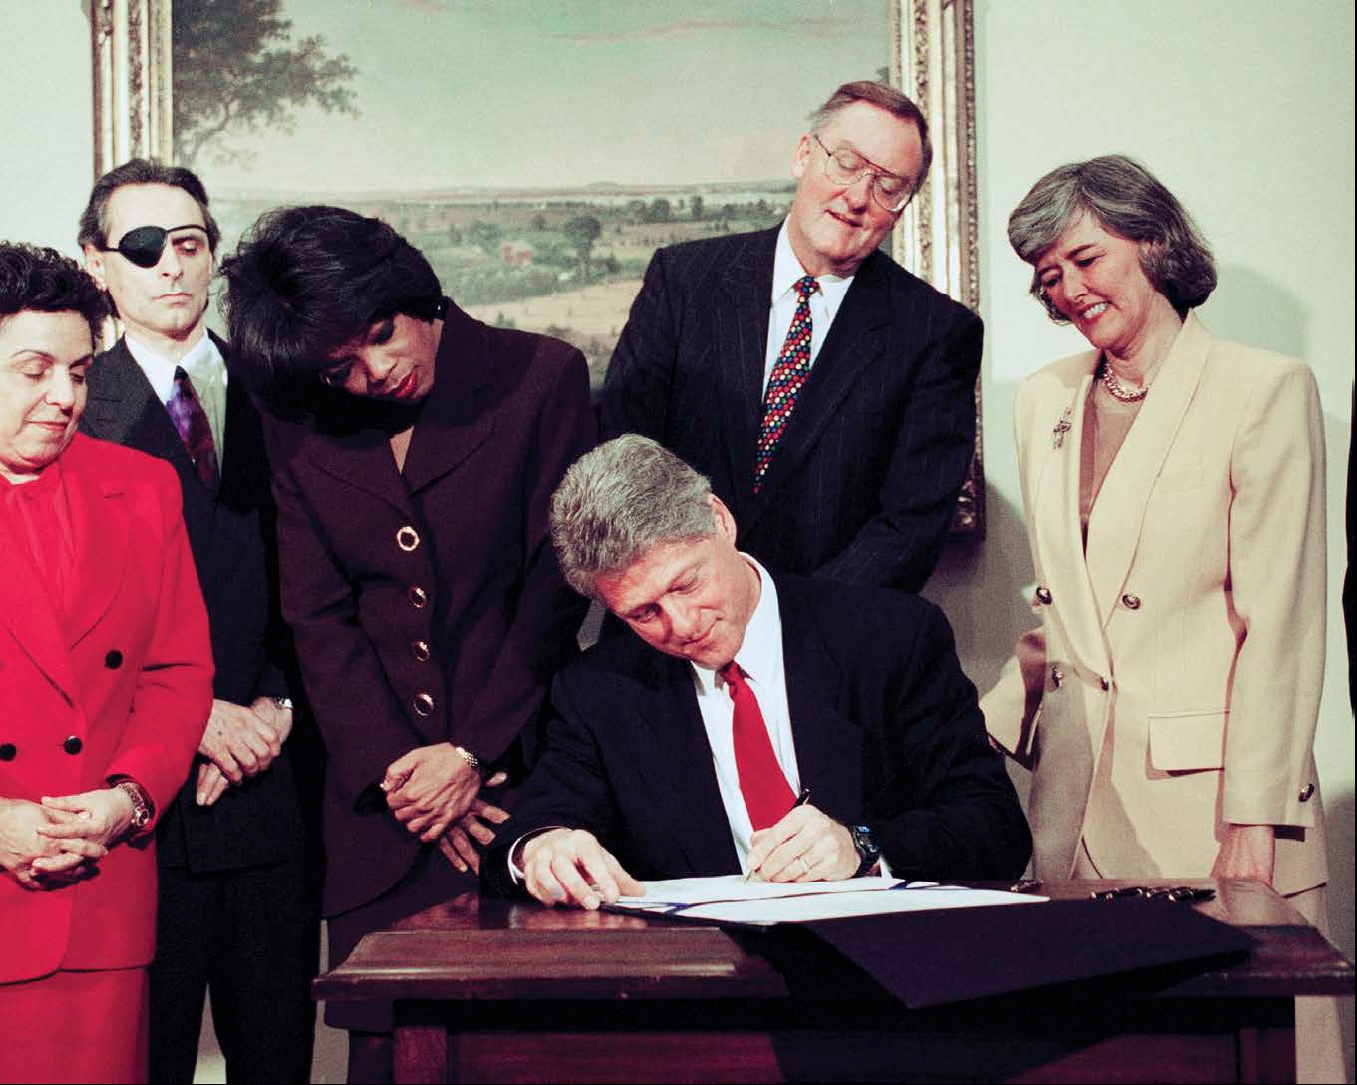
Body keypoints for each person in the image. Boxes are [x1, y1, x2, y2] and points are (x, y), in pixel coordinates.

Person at [219, 206, 596, 1082]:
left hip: (521, 779)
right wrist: (407, 771)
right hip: (380, 809)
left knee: (534, 1049)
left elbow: (553, 588)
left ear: (410, 291)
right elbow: (315, 615)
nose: (375, 372)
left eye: (381, 335)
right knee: (387, 1058)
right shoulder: (299, 420)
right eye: (340, 365)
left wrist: (470, 752)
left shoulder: (540, 376)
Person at [982, 155, 1337, 1081]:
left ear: (1151, 240)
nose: (1069, 290)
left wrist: (1254, 816)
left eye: (1087, 259)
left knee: (1244, 1060)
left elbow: (1283, 623)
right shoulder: (1046, 398)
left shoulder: (1263, 388)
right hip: (1069, 804)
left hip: (1212, 807)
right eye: (1048, 275)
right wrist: (964, 737)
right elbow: (1070, 619)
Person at [480, 435, 1030, 908]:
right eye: (643, 613)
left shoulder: (888, 638)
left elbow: (994, 827)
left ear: (720, 521)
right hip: (704, 992)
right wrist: (541, 848)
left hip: (884, 979)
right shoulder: (600, 689)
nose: (680, 625)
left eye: (686, 584)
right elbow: (527, 833)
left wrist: (863, 846)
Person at [0, 242, 213, 1083]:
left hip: (101, 904)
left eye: (81, 372)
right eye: (34, 370)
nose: (65, 396)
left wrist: (127, 797)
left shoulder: (144, 485)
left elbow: (176, 671)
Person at [76, 158, 317, 1084]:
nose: (170, 265)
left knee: (276, 1063)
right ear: (98, 265)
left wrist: (276, 708)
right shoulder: (70, 409)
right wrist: (193, 716)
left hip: (270, 784)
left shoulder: (288, 391)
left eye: (188, 242)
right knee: (145, 1063)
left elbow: (331, 580)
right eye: (142, 247)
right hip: (142, 806)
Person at [601, 80, 982, 593]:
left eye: (888, 186)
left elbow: (908, 528)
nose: (857, 198)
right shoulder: (685, 280)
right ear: (804, 154)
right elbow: (623, 453)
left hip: (825, 644)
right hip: (666, 626)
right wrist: (686, 600)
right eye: (846, 163)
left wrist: (782, 628)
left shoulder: (937, 332)